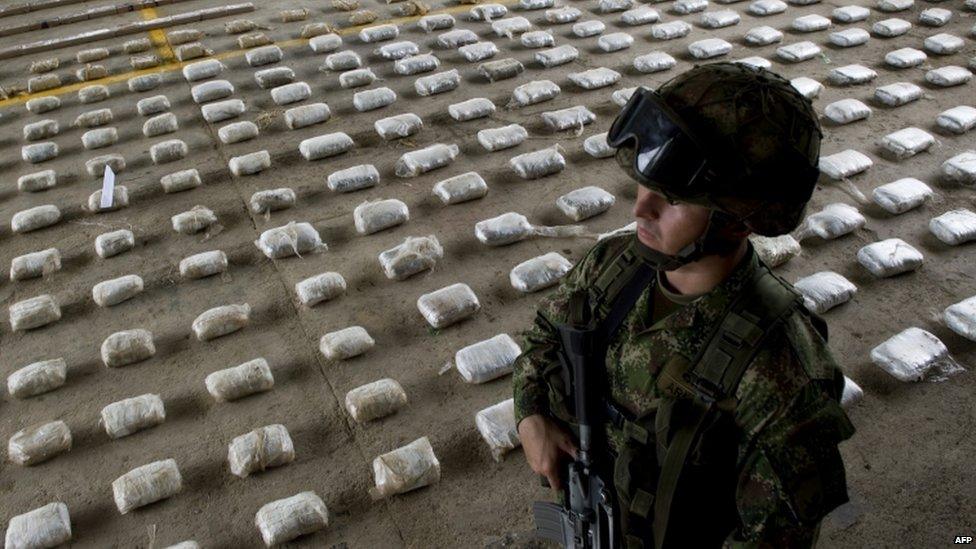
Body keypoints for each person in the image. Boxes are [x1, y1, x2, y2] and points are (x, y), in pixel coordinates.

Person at [512, 62, 856, 548]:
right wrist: (530, 416)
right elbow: (544, 339)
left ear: (737, 221)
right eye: (647, 183)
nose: (641, 209)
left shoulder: (781, 374)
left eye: (673, 200)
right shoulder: (615, 266)